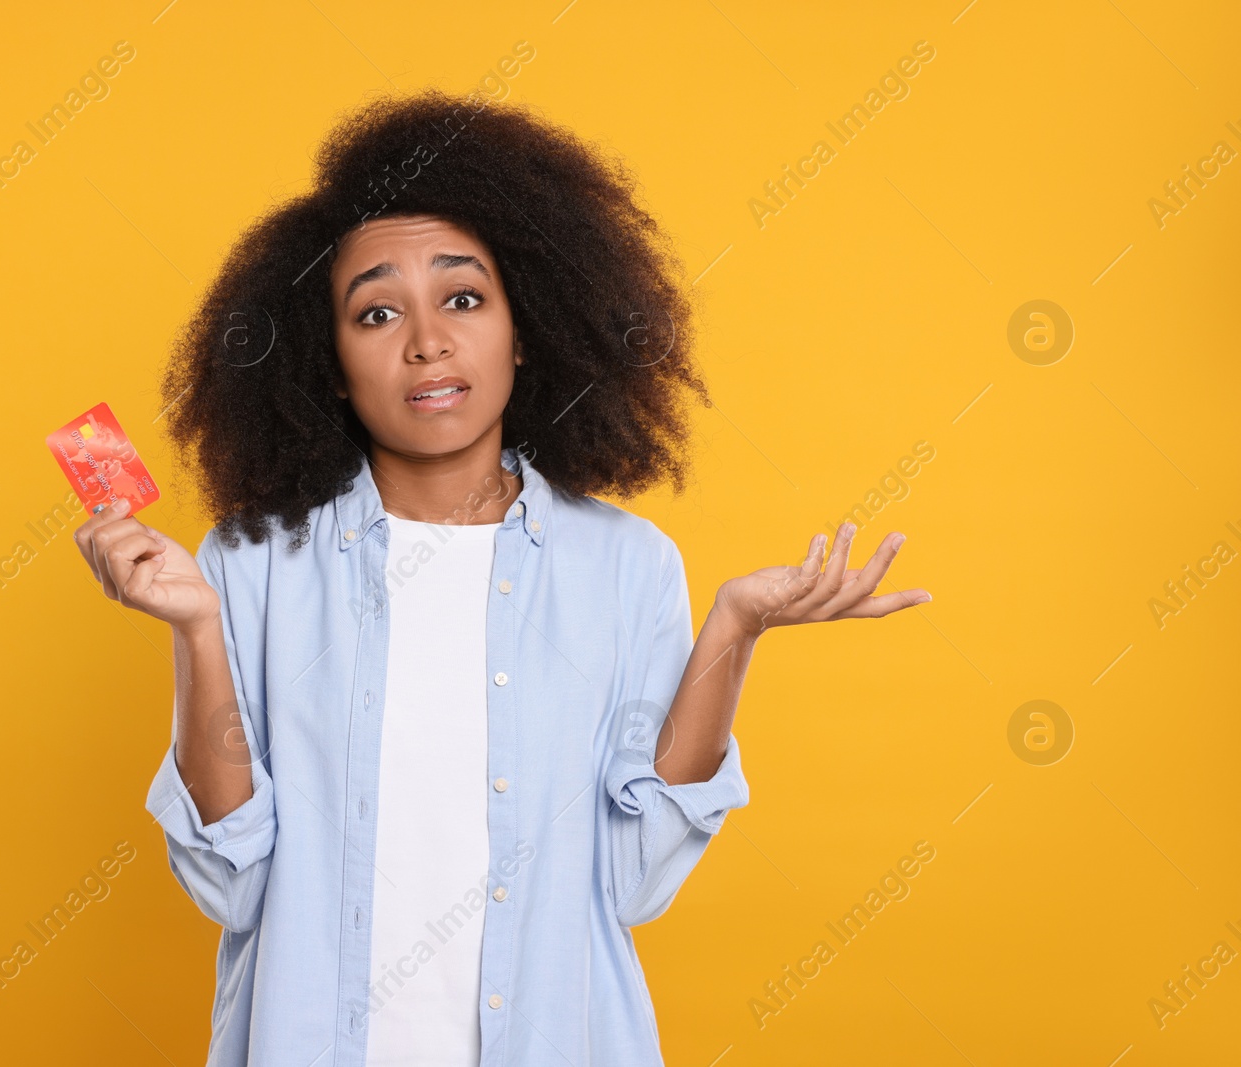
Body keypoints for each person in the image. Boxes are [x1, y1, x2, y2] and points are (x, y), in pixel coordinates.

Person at [72, 89, 928, 1067]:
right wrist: (193, 628)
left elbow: (635, 876)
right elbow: (229, 883)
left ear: (526, 328)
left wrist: (733, 628)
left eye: (463, 297)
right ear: (330, 360)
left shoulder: (625, 563)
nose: (426, 340)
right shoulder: (252, 561)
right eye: (377, 311)